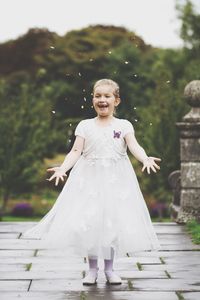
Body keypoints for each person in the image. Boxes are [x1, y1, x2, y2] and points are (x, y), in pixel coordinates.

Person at [22, 78, 162, 286]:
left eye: (107, 96)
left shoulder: (123, 125)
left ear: (117, 101)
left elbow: (134, 146)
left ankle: (110, 269)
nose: (102, 100)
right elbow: (76, 151)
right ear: (92, 100)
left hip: (116, 183)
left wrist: (145, 158)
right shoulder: (85, 126)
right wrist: (63, 168)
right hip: (89, 182)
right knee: (90, 223)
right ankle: (92, 269)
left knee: (111, 224)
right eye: (98, 96)